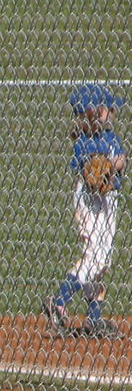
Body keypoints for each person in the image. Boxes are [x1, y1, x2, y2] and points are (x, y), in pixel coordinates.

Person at [43, 83, 125, 339]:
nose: (112, 112)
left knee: (103, 261)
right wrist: (102, 169)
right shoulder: (84, 143)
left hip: (109, 201)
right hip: (90, 202)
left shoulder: (110, 137)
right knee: (95, 256)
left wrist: (115, 164)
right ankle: (58, 302)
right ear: (93, 112)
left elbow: (121, 158)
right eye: (106, 108)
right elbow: (89, 174)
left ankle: (93, 319)